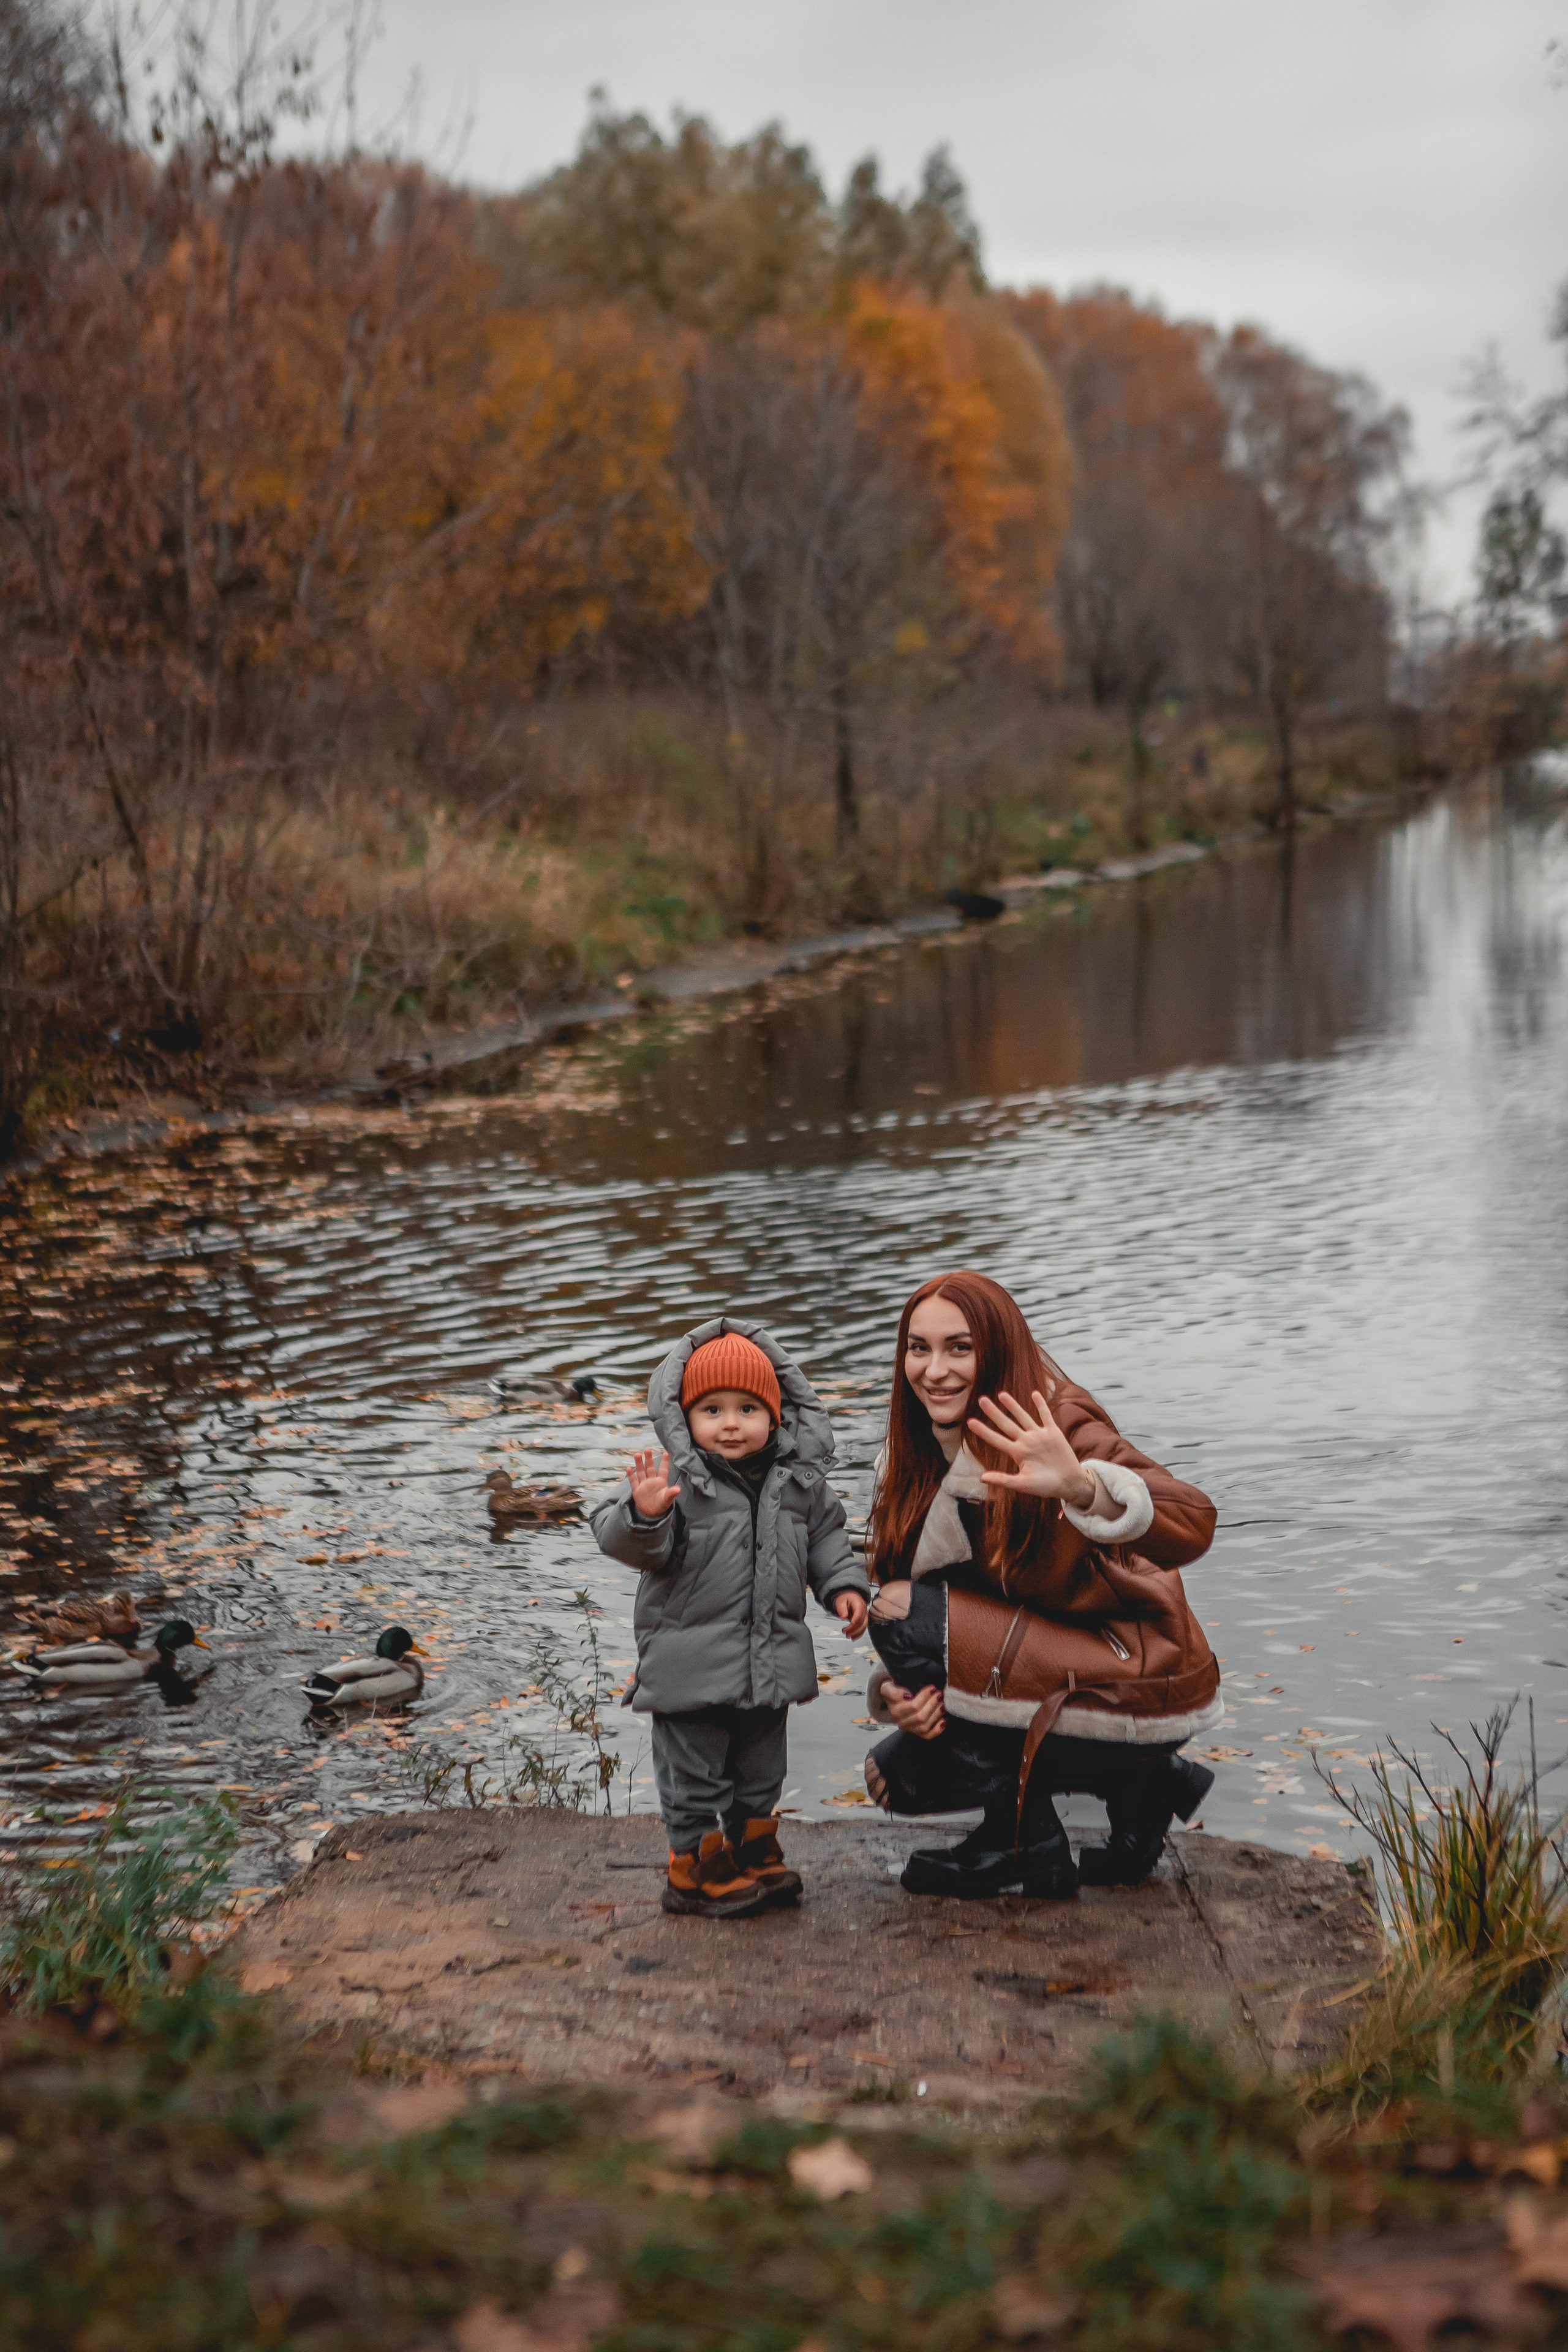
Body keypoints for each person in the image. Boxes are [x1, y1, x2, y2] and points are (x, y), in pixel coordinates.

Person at [863, 1271, 1221, 1900]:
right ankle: (1146, 1784)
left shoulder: (1054, 1419)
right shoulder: (911, 1457)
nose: (934, 1370)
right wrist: (900, 1693)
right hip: (1036, 1664)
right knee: (897, 1776)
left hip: (1131, 1667)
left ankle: (1025, 1848)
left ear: (997, 1349)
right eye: (918, 1348)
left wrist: (1083, 1486)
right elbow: (941, 1611)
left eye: (959, 1348)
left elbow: (1194, 1521)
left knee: (897, 1615)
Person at [592, 1317, 871, 1919]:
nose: (729, 1423)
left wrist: (844, 1586)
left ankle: (752, 1848)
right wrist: (642, 1515)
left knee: (760, 1769)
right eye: (711, 1409)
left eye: (747, 1408)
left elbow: (827, 1540)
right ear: (684, 1419)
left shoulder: (799, 1485)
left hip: (767, 1660)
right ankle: (693, 1868)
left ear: (776, 1416)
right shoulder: (673, 1481)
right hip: (690, 1669)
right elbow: (623, 1540)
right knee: (694, 1777)